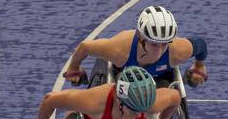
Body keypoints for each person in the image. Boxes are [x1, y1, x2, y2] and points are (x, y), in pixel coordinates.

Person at [61, 5, 207, 90]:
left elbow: (201, 45)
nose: (160, 49)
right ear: (141, 38)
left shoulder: (177, 51)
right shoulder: (119, 50)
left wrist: (199, 66)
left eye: (165, 43)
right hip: (124, 78)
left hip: (160, 80)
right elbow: (85, 47)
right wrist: (74, 68)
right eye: (154, 43)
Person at [32, 65, 180, 119]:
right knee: (72, 115)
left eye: (142, 110)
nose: (138, 114)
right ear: (120, 101)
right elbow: (49, 100)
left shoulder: (152, 102)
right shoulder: (94, 102)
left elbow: (176, 97)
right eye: (134, 110)